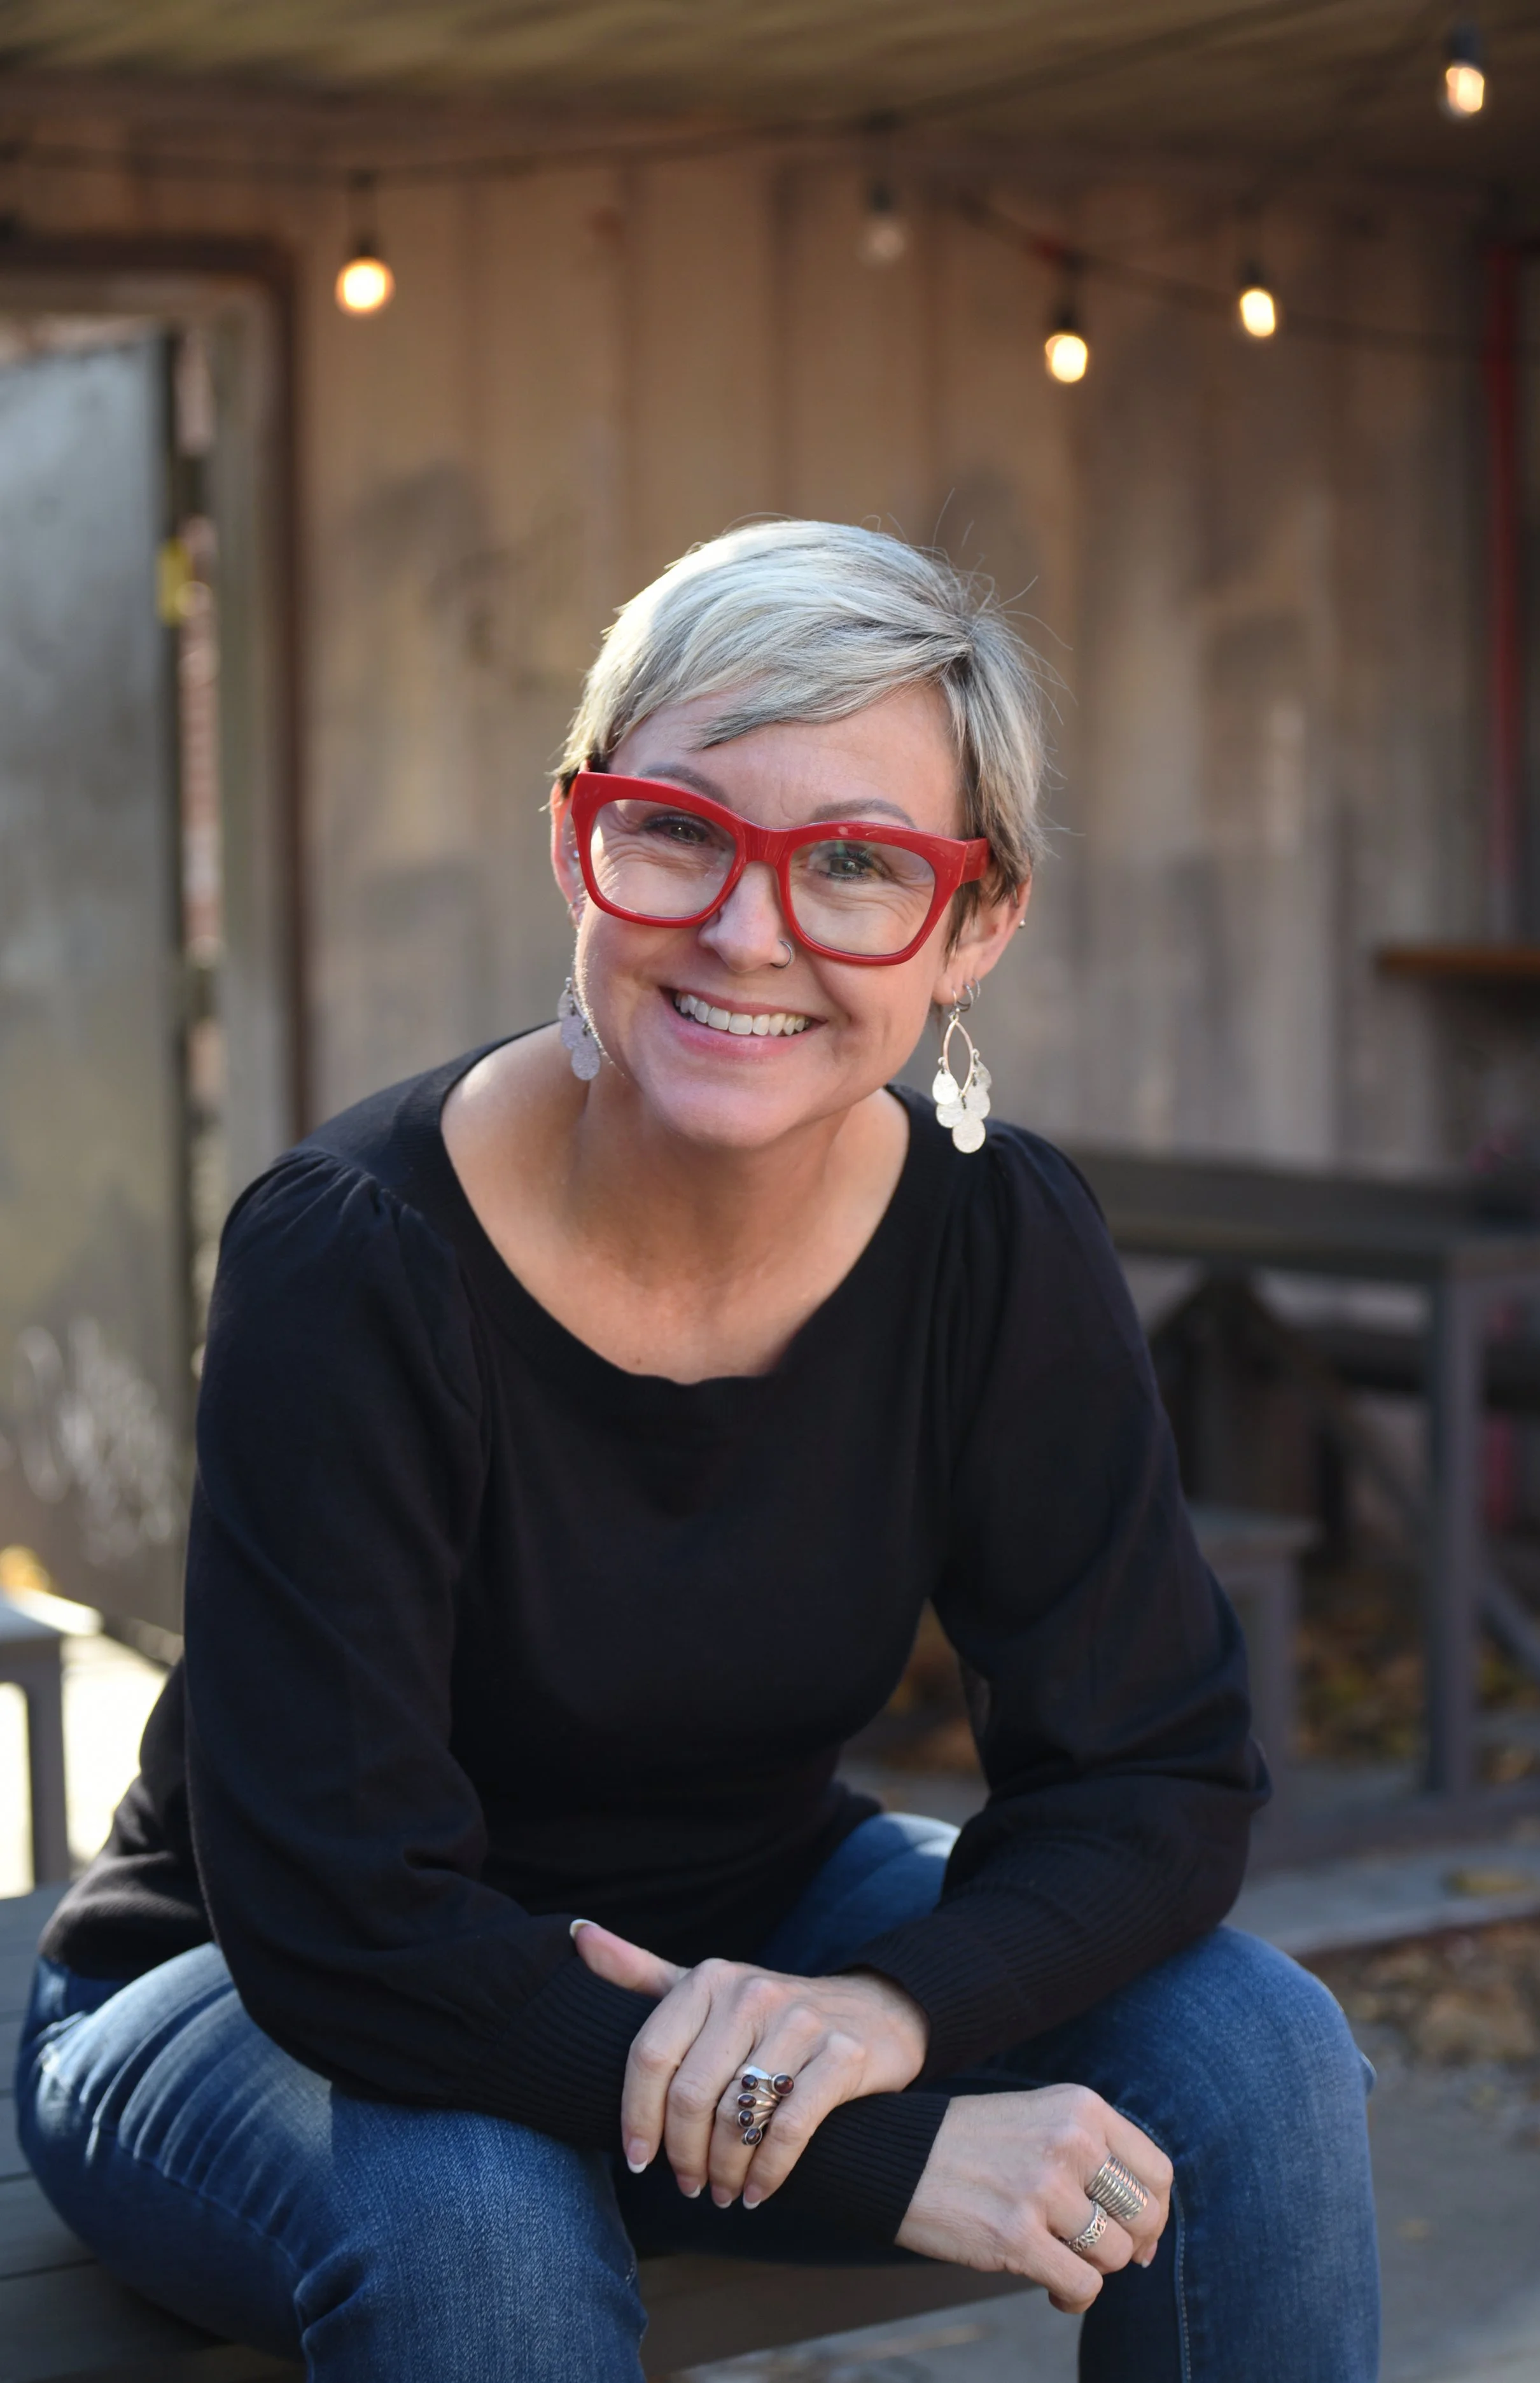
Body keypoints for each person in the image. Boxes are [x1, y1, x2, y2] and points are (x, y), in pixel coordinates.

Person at [17, 521, 1378, 2380]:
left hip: (751, 1920)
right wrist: (875, 2147)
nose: (748, 931)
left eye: (855, 863)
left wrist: (895, 2008)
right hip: (252, 1990)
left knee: (1255, 2050)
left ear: (975, 925)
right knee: (477, 2216)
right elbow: (334, 1909)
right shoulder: (350, 1254)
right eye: (678, 829)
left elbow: (1151, 1773)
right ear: (576, 837)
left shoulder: (991, 1239)